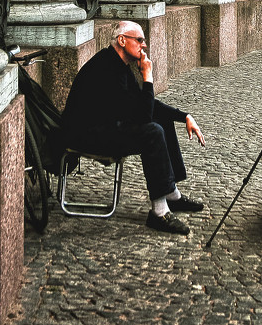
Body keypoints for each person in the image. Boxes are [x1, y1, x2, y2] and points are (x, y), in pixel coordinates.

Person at [60, 20, 206, 235]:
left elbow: (144, 105)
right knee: (152, 132)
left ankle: (171, 194)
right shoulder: (106, 68)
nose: (144, 45)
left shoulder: (120, 65)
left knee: (162, 122)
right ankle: (159, 212)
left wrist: (184, 116)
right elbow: (143, 117)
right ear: (122, 40)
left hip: (106, 128)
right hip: (86, 136)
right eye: (139, 40)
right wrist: (148, 77)